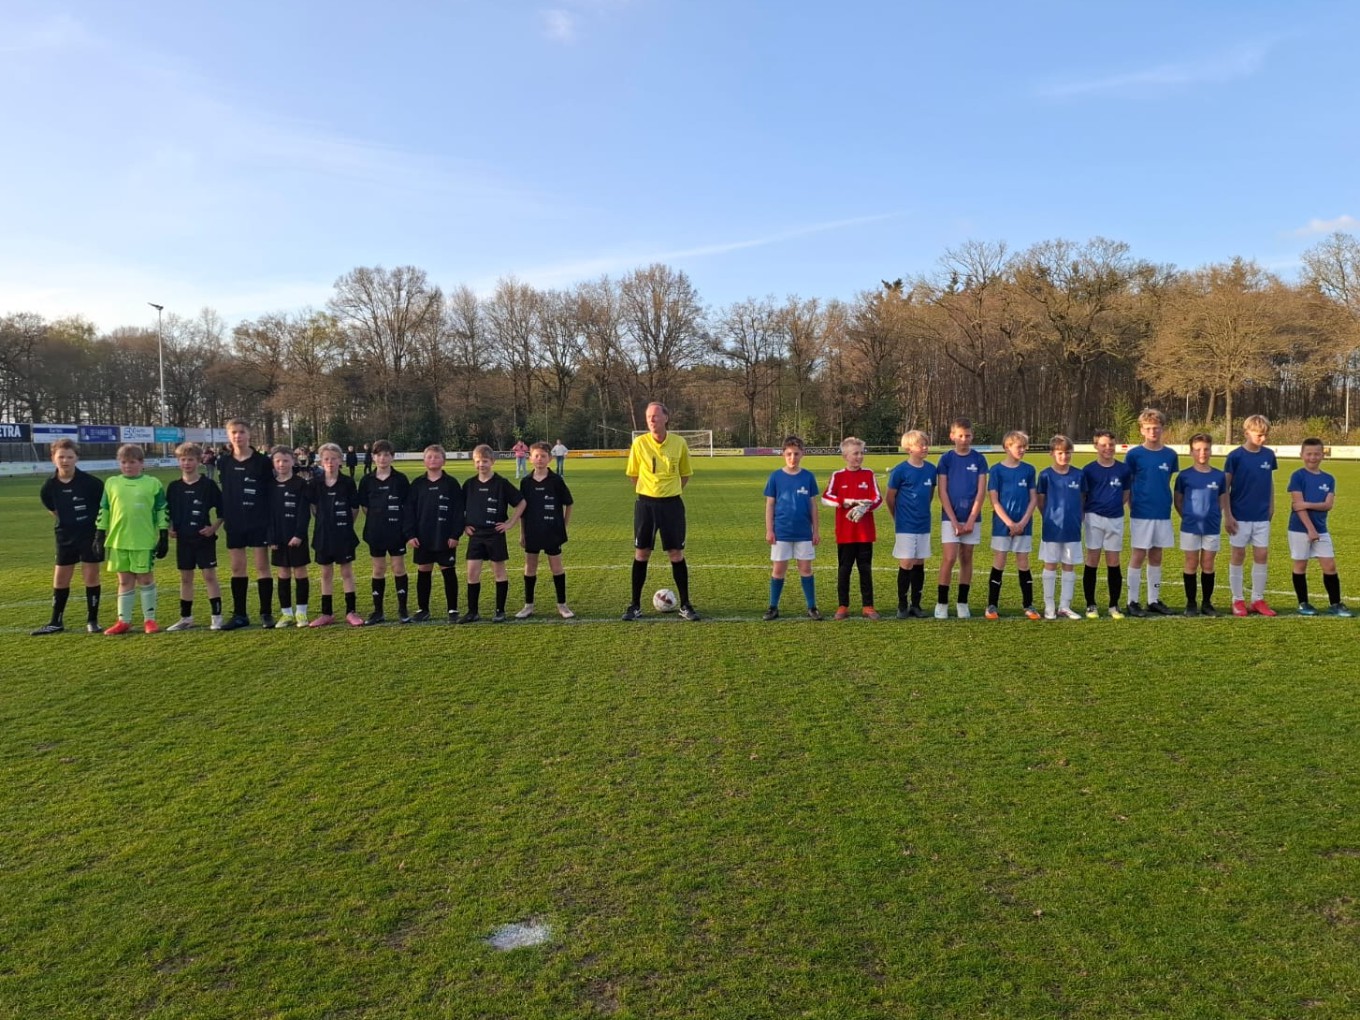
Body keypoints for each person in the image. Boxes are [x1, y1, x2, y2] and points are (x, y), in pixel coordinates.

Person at [623, 401, 699, 620]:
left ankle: (685, 605)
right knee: (641, 553)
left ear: (666, 418)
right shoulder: (639, 443)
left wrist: (669, 491)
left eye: (655, 416)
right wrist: (650, 491)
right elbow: (633, 475)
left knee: (676, 554)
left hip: (672, 505)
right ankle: (634, 605)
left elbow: (685, 474)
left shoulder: (679, 443)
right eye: (648, 417)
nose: (651, 420)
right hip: (646, 505)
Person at [32, 439, 104, 635]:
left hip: (90, 536)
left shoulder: (92, 483)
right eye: (61, 456)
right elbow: (54, 510)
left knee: (91, 576)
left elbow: (103, 509)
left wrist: (99, 534)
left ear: (76, 458)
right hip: (65, 537)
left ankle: (92, 620)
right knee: (61, 579)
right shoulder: (49, 486)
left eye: (69, 456)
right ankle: (56, 621)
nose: (65, 460)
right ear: (53, 458)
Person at [96, 444, 169, 635]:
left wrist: (163, 534)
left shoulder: (153, 483)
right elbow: (104, 509)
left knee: (145, 579)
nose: (127, 466)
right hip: (119, 540)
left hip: (143, 540)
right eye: (124, 462)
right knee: (124, 580)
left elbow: (162, 509)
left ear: (141, 463)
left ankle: (150, 620)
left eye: (132, 462)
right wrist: (99, 534)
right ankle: (123, 621)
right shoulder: (111, 483)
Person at [218, 419, 276, 630]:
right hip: (235, 523)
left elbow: (269, 493)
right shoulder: (224, 462)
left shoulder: (261, 462)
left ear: (249, 434)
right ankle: (240, 615)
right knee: (237, 567)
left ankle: (266, 613)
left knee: (262, 567)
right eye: (234, 432)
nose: (238, 436)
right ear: (228, 435)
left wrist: (271, 525)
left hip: (258, 521)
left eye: (241, 432)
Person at [460, 444, 526, 623]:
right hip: (475, 535)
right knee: (472, 574)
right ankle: (472, 611)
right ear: (474, 462)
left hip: (495, 534)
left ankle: (500, 610)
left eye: (485, 461)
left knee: (499, 572)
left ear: (493, 462)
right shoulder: (469, 484)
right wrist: (464, 525)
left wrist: (510, 523)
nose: (481, 464)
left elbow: (521, 503)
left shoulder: (501, 483)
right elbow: (459, 508)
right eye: (478, 461)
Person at [1288, 438, 1352, 617]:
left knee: (1329, 565)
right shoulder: (1298, 476)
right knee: (1300, 565)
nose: (1313, 457)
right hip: (1300, 528)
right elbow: (1297, 507)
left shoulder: (1329, 479)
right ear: (1302, 455)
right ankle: (1303, 603)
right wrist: (1310, 529)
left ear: (1322, 454)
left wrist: (1306, 504)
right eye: (1309, 454)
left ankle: (1335, 603)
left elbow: (1327, 505)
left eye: (1317, 453)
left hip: (1321, 529)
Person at [165, 442, 225, 631]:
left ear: (199, 461)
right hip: (184, 539)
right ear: (178, 462)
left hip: (203, 539)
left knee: (209, 576)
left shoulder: (208, 485)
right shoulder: (174, 487)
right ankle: (186, 618)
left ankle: (216, 617)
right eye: (183, 459)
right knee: (185, 578)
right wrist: (170, 528)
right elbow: (168, 513)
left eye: (190, 459)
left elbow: (223, 510)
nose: (187, 463)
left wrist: (213, 528)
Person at [1124, 408, 1179, 616]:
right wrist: (1132, 505)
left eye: (1156, 428)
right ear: (1142, 430)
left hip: (1162, 512)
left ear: (1162, 429)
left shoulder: (1170, 455)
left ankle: (1153, 600)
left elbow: (1168, 482)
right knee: (1138, 554)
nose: (1153, 432)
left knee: (1157, 555)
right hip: (1141, 511)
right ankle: (1132, 601)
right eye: (1148, 428)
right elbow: (1128, 483)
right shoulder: (1134, 455)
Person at [1224, 414, 1279, 617]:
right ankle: (1237, 600)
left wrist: (1271, 506)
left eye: (1265, 435)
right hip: (1239, 515)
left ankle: (1257, 599)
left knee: (1262, 554)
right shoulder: (1235, 456)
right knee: (1238, 555)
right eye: (1259, 435)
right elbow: (1225, 487)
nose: (1263, 439)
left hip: (1261, 515)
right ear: (1247, 433)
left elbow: (1269, 482)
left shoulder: (1268, 456)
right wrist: (1227, 515)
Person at [762, 435, 822, 621]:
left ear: (802, 454)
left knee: (805, 568)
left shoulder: (808, 477)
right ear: (783, 455)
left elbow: (813, 505)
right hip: (782, 532)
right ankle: (773, 607)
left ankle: (812, 607)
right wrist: (770, 530)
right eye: (789, 454)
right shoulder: (776, 477)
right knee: (778, 570)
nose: (792, 458)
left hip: (804, 532)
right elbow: (770, 505)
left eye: (796, 454)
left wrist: (816, 531)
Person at [822, 435, 882, 620]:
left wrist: (865, 507)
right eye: (855, 453)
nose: (859, 457)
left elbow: (878, 499)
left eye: (861, 453)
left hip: (865, 533)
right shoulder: (838, 476)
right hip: (845, 533)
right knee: (844, 569)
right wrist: (845, 502)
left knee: (865, 569)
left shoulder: (869, 474)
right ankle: (843, 606)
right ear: (845, 456)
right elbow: (826, 498)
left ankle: (868, 606)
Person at [404, 444, 465, 623]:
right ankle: (423, 609)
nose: (433, 460)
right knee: (424, 571)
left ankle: (453, 609)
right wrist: (410, 534)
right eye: (429, 457)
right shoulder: (417, 484)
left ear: (443, 461)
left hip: (445, 537)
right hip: (422, 537)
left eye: (437, 457)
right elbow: (408, 511)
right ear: (424, 460)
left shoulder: (451, 483)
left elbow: (458, 511)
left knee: (448, 571)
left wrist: (455, 534)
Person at [934, 417, 988, 619]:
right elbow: (943, 492)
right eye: (960, 436)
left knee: (966, 558)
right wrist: (954, 521)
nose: (964, 439)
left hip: (973, 518)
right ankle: (942, 603)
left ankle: (962, 602)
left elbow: (981, 492)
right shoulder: (946, 459)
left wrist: (972, 519)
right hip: (951, 518)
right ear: (952, 436)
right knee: (949, 558)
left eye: (968, 435)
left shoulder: (979, 459)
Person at [516, 441, 576, 619]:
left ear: (549, 458)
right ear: (530, 459)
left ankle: (562, 605)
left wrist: (563, 526)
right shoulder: (526, 482)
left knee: (556, 568)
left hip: (552, 531)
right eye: (536, 456)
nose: (540, 459)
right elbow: (522, 510)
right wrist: (522, 533)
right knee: (530, 567)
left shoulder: (556, 480)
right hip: (532, 531)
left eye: (543, 456)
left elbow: (569, 504)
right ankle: (528, 606)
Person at [985, 430, 1039, 620]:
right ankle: (991, 605)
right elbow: (995, 501)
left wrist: (1022, 522)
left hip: (1024, 525)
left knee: (1023, 563)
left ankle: (1029, 605)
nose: (1023, 450)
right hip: (1002, 526)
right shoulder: (996, 470)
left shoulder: (1029, 470)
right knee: (999, 562)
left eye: (1025, 447)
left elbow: (1033, 499)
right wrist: (1009, 523)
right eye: (1019, 447)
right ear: (1007, 447)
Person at [310, 444, 364, 627]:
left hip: (343, 535)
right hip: (323, 535)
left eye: (334, 458)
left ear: (340, 460)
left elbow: (354, 509)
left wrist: (345, 526)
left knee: (347, 572)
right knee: (326, 573)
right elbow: (314, 508)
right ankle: (327, 613)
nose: (330, 462)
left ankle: (351, 612)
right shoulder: (315, 483)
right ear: (321, 461)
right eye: (326, 459)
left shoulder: (347, 482)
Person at [357, 439, 411, 624]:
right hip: (375, 532)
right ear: (373, 457)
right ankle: (378, 611)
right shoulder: (366, 481)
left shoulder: (400, 479)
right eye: (379, 454)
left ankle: (403, 610)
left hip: (396, 532)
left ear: (392, 457)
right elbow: (364, 507)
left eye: (386, 454)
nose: (382, 458)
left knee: (398, 567)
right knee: (378, 569)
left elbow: (407, 504)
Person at [1173, 432, 1226, 617]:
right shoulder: (1184, 476)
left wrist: (1216, 516)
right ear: (1191, 452)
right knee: (1191, 563)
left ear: (1211, 450)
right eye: (1197, 450)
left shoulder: (1219, 476)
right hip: (1190, 527)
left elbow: (1222, 500)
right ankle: (1191, 603)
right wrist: (1187, 516)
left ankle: (1206, 603)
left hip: (1212, 526)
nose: (1202, 453)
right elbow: (1178, 501)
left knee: (1208, 564)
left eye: (1205, 449)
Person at [1081, 429, 1131, 619]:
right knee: (1092, 559)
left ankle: (1113, 605)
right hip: (1093, 517)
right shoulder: (1088, 470)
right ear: (1096, 446)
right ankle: (1091, 605)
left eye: (1111, 444)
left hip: (1115, 518)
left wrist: (1115, 507)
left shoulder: (1123, 469)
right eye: (1103, 445)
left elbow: (1126, 494)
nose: (1107, 448)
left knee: (1113, 561)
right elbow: (1084, 496)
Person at [885, 430, 935, 619]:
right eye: (920, 444)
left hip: (923, 523)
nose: (925, 447)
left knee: (920, 561)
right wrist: (897, 517)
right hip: (905, 524)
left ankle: (916, 604)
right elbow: (890, 498)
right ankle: (902, 604)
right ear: (909, 448)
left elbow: (929, 495)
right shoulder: (900, 470)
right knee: (906, 562)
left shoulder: (931, 469)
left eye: (926, 444)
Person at [1036, 435, 1086, 620]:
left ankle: (1065, 605)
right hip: (1052, 527)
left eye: (1067, 453)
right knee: (1050, 564)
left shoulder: (1079, 475)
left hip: (1072, 528)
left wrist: (1076, 518)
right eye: (1060, 453)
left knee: (1069, 566)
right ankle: (1049, 605)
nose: (1064, 456)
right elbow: (1040, 502)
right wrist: (1049, 517)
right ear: (1052, 453)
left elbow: (1082, 500)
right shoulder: (1045, 475)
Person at [265, 446, 312, 627]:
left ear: (293, 461)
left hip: (296, 537)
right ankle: (286, 613)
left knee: (300, 572)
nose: (281, 464)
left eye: (285, 460)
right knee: (283, 573)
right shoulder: (270, 486)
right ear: (273, 463)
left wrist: (299, 535)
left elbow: (304, 513)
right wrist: (271, 538)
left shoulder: (301, 484)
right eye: (277, 461)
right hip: (278, 537)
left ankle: (301, 612)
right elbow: (268, 515)